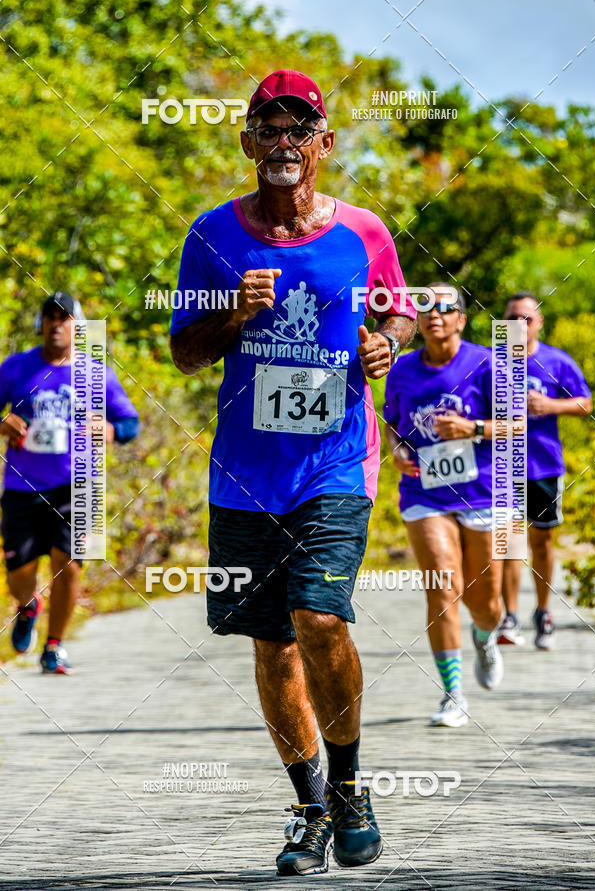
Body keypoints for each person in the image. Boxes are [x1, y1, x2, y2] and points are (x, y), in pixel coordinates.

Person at [169, 70, 416, 876]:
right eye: (268, 129)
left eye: (299, 129)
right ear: (247, 143)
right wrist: (232, 313)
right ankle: (310, 807)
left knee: (319, 617)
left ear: (325, 144)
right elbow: (183, 352)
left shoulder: (364, 232)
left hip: (337, 463)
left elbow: (394, 313)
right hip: (243, 475)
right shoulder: (212, 235)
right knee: (272, 644)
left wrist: (386, 344)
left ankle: (349, 789)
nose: (284, 143)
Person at [384, 284, 505, 729]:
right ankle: (452, 694)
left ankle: (485, 636)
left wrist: (472, 427)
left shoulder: (488, 363)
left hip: (481, 490)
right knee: (441, 585)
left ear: (461, 318)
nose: (434, 314)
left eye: (445, 307)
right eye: (424, 307)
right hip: (424, 492)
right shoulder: (402, 371)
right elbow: (392, 423)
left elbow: (517, 427)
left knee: (486, 603)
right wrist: (396, 450)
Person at [0, 292, 139, 674]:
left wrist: (110, 429)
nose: (58, 324)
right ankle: (28, 605)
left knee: (70, 565)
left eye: (66, 318)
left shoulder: (96, 374)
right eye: (51, 317)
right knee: (19, 574)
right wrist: (3, 424)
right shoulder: (15, 368)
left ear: (78, 327)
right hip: (22, 487)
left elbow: (131, 423)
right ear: (40, 324)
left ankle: (54, 646)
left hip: (80, 486)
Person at [498, 292, 592, 649]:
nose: (518, 326)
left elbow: (585, 403)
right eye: (511, 319)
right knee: (508, 542)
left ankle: (542, 611)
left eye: (526, 319)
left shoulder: (557, 361)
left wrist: (550, 404)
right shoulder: (493, 362)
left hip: (543, 464)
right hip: (502, 464)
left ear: (539, 323)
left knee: (541, 540)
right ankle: (509, 615)